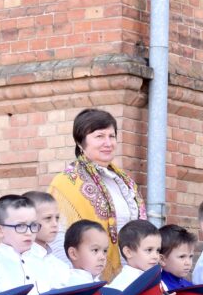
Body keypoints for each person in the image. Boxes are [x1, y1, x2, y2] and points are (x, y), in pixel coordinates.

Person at [48, 109, 145, 282]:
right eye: (99, 136)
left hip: (130, 278)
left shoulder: (125, 182)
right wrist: (78, 282)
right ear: (80, 142)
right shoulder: (65, 183)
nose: (108, 143)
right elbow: (58, 239)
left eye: (112, 136)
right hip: (88, 281)